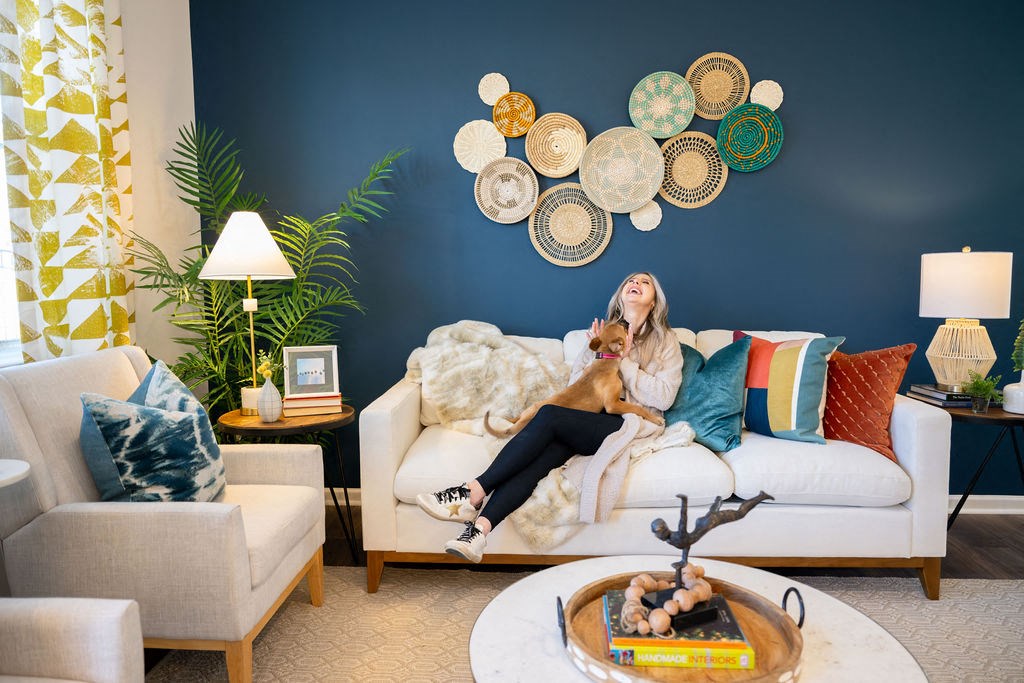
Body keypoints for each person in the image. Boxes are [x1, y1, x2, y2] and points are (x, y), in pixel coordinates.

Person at [415, 272, 683, 562]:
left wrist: (624, 359)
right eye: (630, 281)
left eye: (645, 283)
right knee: (543, 457)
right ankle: (479, 531)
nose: (636, 284)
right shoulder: (600, 333)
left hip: (628, 424)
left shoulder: (666, 341)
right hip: (586, 420)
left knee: (549, 415)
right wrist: (601, 352)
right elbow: (577, 385)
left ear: (655, 302)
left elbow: (664, 397)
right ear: (620, 295)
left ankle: (472, 491)